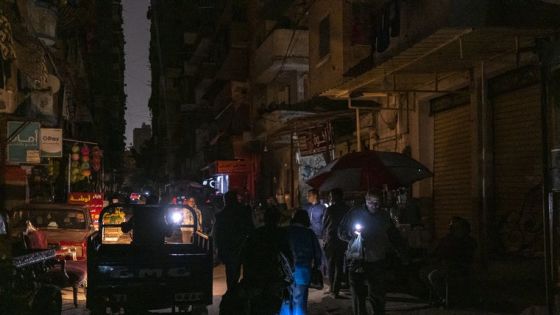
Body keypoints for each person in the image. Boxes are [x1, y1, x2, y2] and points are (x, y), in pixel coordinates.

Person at [338, 190, 407, 315]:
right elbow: (341, 231)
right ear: (366, 201)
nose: (376, 206)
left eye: (378, 203)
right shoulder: (355, 213)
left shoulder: (383, 215)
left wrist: (401, 251)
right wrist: (352, 234)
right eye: (373, 203)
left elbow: (393, 234)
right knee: (358, 294)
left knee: (378, 295)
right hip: (357, 259)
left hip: (377, 259)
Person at [240, 207, 291, 315]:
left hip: (256, 277)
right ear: (278, 219)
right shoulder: (281, 235)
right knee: (273, 307)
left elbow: (245, 256)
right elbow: (288, 257)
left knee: (257, 307)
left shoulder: (255, 234)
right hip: (274, 277)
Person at [421, 216, 476, 305]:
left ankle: (447, 297)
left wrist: (447, 259)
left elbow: (464, 258)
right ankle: (438, 295)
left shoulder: (468, 241)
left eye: (455, 228)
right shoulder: (449, 238)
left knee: (433, 275)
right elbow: (438, 251)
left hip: (459, 267)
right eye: (451, 227)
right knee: (423, 272)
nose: (452, 230)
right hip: (446, 265)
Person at [213, 191, 255, 291]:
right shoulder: (244, 211)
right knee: (246, 274)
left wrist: (218, 249)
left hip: (229, 249)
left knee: (231, 276)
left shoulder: (221, 215)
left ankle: (232, 296)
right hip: (244, 247)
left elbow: (217, 234)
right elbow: (251, 228)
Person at [284, 209, 322, 315]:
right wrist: (316, 267)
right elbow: (318, 254)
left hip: (285, 271)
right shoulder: (309, 233)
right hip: (304, 271)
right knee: (300, 300)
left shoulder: (286, 231)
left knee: (286, 299)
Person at [322, 188, 349, 298]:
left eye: (331, 196)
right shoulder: (347, 209)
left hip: (332, 239)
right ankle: (335, 289)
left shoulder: (330, 209)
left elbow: (325, 225)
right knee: (339, 264)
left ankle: (333, 288)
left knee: (331, 264)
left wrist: (324, 237)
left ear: (335, 196)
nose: (330, 198)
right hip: (343, 240)